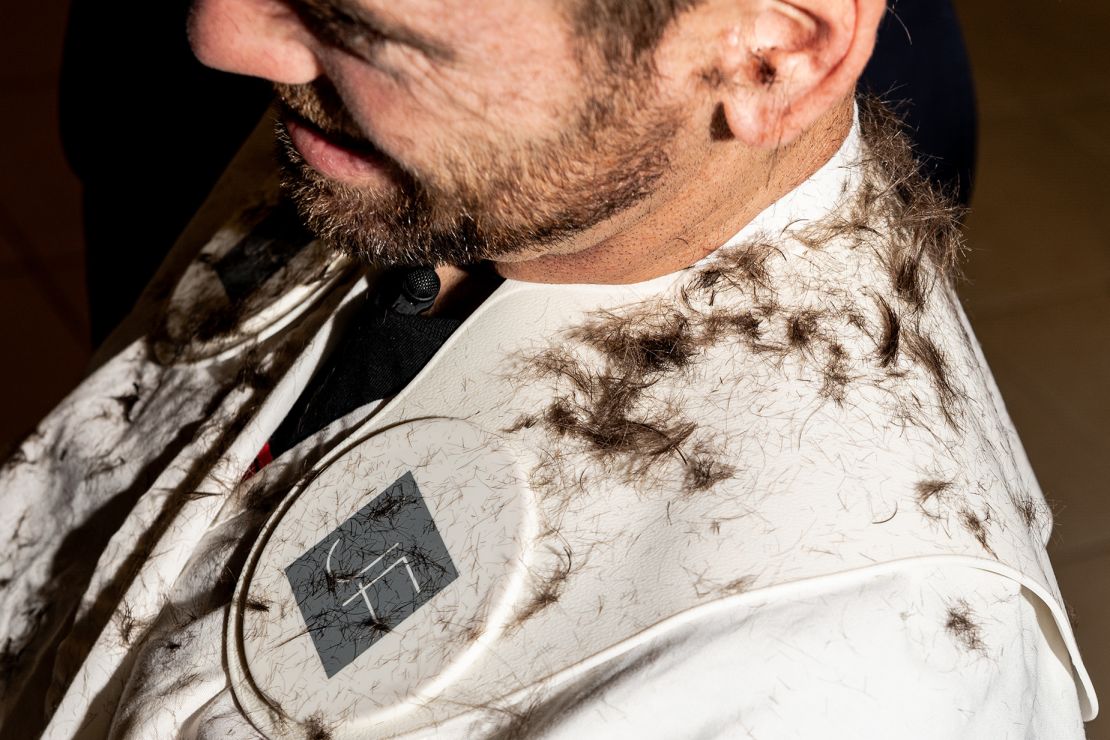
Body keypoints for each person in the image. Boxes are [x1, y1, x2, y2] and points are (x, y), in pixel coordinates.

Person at [0, 0, 1093, 738]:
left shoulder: (842, 679)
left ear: (770, 48)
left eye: (360, 24)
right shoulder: (441, 167)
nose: (221, 35)